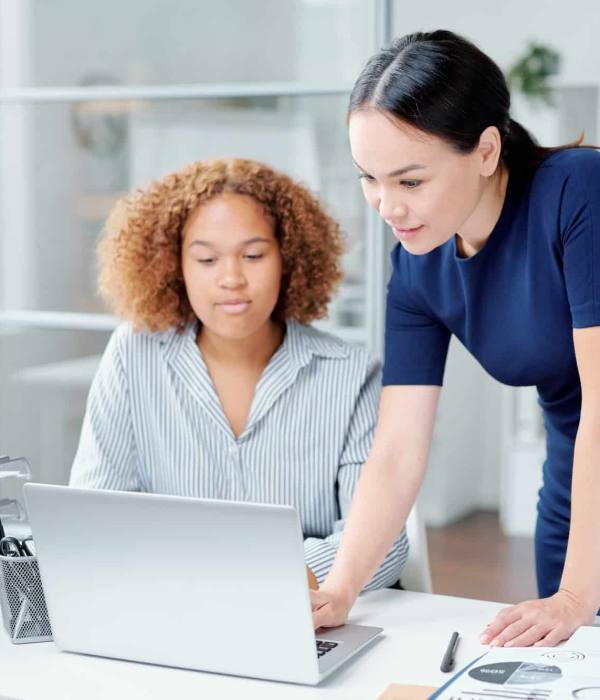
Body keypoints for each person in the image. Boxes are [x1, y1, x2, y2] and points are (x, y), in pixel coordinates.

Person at [311, 29, 600, 647]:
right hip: (579, 489)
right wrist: (341, 588)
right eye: (370, 178)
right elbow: (396, 450)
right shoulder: (417, 265)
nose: (386, 206)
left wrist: (577, 594)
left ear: (487, 150)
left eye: (410, 181)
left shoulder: (580, 192)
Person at [69, 157, 407, 591]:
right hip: (170, 603)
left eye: (252, 255)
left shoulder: (351, 375)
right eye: (206, 259)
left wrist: (253, 581)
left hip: (304, 614)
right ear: (176, 267)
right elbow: (95, 513)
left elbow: (386, 547)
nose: (231, 279)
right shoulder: (133, 355)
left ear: (288, 259)